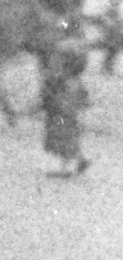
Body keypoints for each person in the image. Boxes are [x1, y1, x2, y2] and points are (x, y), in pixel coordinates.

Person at [41, 41, 93, 176]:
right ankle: (80, 160)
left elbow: (54, 95)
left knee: (63, 139)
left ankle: (64, 169)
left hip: (61, 113)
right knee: (69, 137)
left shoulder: (64, 80)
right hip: (66, 113)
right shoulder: (73, 80)